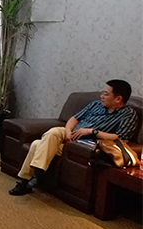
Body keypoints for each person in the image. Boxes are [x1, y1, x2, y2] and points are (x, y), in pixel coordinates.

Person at [9, 79, 139, 196]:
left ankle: (25, 180)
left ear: (118, 99)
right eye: (102, 93)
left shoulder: (129, 115)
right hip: (71, 133)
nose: (101, 96)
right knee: (54, 132)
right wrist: (67, 132)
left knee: (37, 144)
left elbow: (121, 138)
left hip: (84, 143)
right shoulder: (96, 104)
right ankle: (37, 175)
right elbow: (74, 119)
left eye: (105, 94)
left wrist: (92, 131)